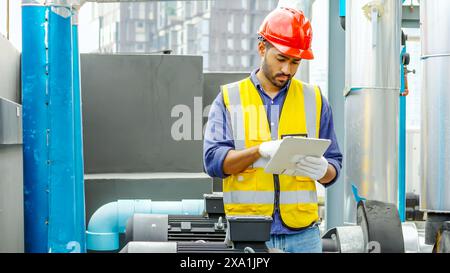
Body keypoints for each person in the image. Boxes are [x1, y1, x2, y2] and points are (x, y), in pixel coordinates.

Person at [203, 7, 342, 253]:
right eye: (281, 58)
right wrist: (258, 151)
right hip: (249, 235)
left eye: (295, 62)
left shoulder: (315, 100)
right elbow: (213, 162)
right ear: (262, 49)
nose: (287, 69)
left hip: (304, 237)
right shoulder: (229, 98)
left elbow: (334, 169)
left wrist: (323, 170)